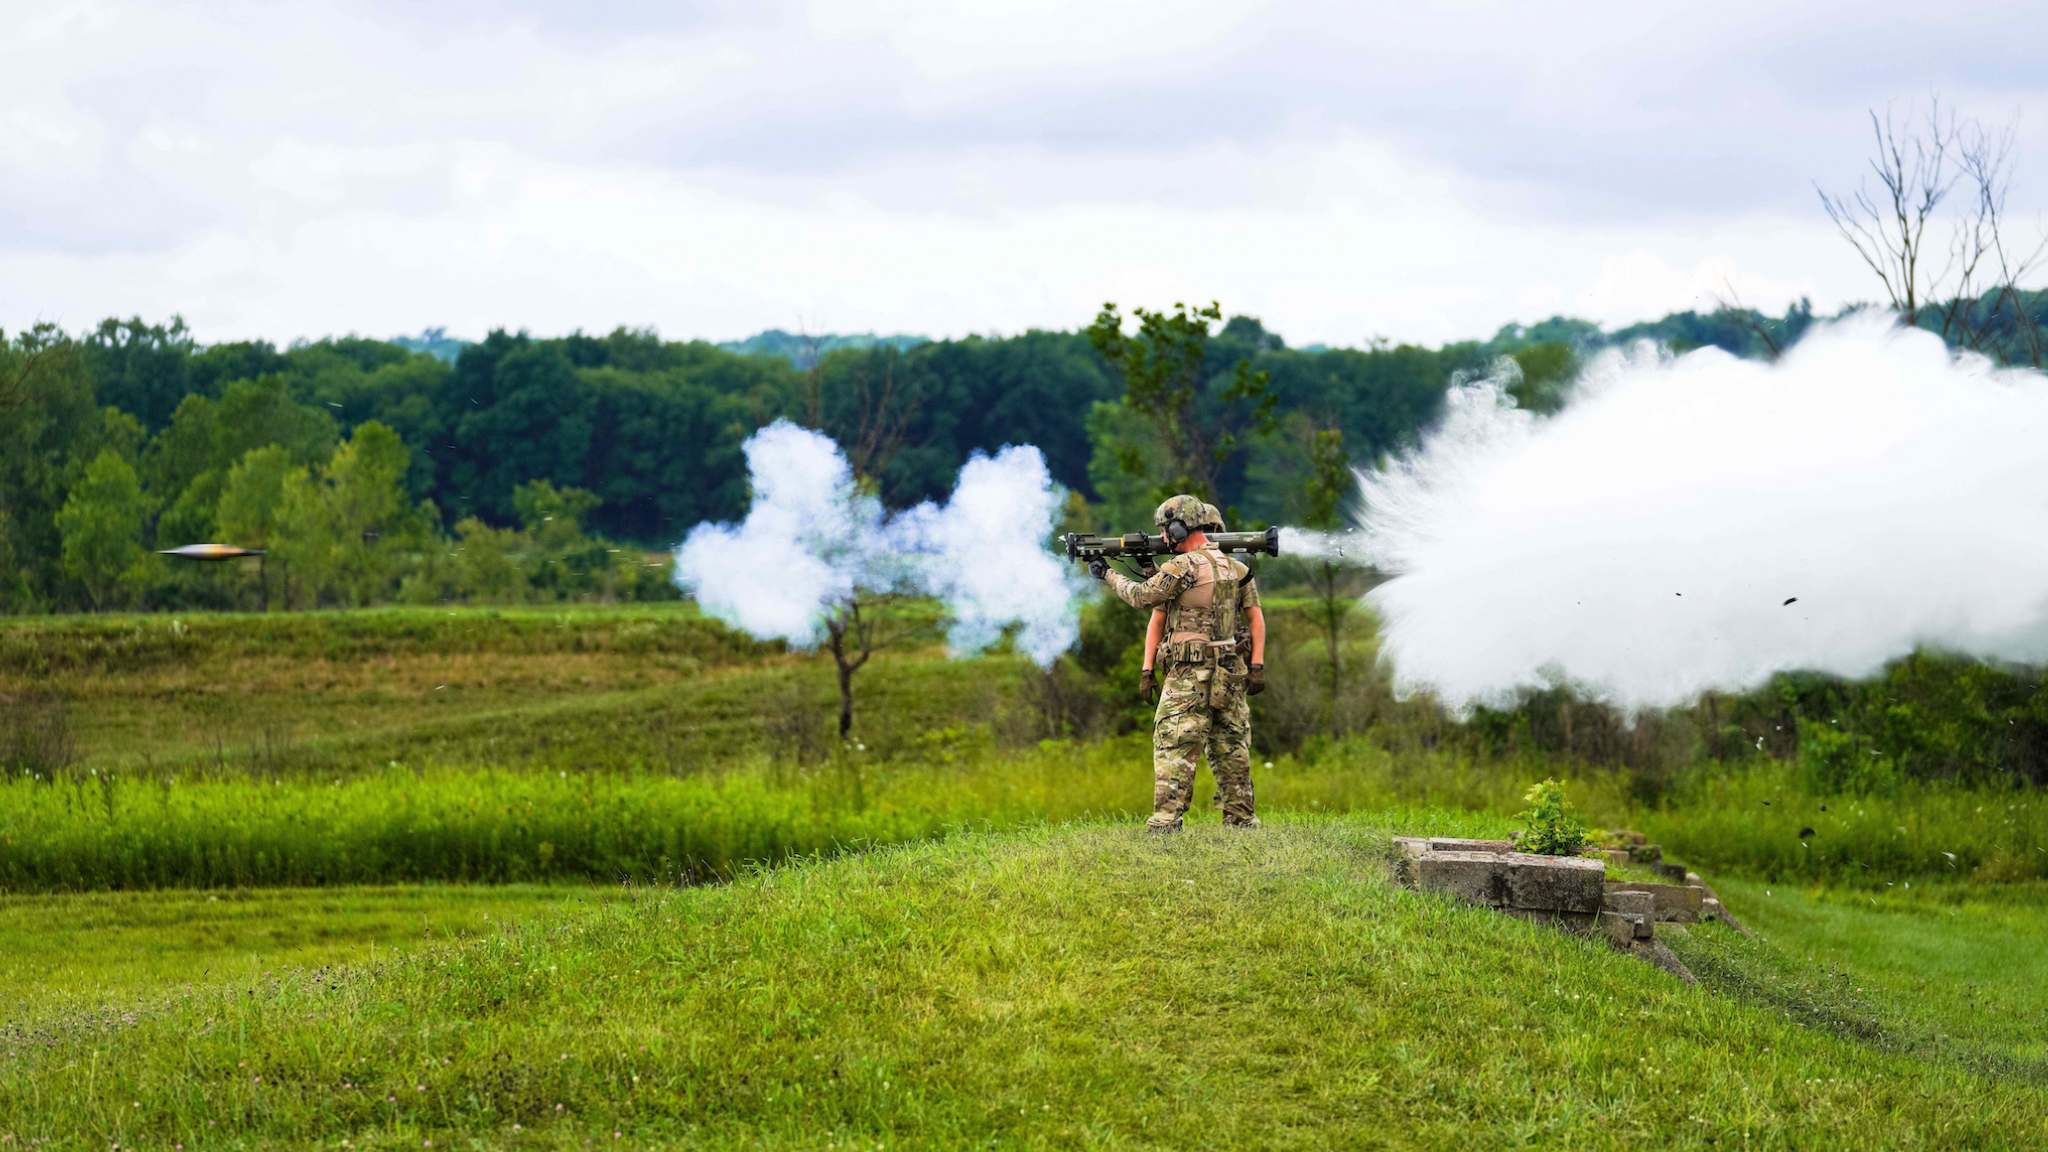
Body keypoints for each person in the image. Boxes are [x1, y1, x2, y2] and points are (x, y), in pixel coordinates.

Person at [1092, 494, 1266, 831]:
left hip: (1190, 674)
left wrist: (1108, 575)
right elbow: (1187, 599)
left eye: (1165, 530)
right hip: (1229, 672)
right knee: (1231, 745)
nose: (1163, 537)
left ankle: (1166, 822)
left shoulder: (1183, 566)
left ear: (1177, 526)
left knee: (1173, 742)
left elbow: (1142, 597)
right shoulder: (1234, 566)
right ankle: (1242, 820)